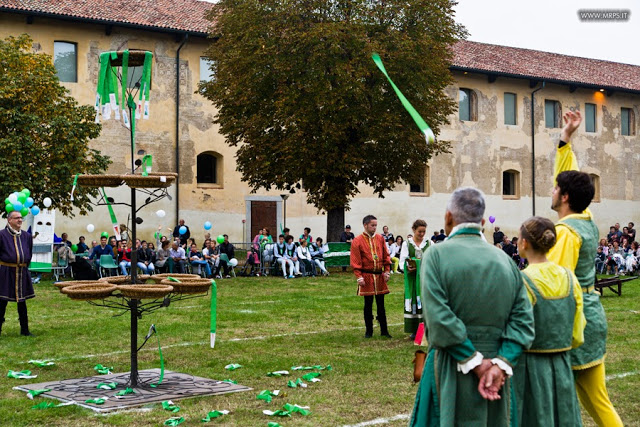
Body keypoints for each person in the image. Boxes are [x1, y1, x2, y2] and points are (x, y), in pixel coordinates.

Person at [410, 187, 534, 426]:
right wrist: (500, 363)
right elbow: (523, 321)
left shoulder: (435, 256)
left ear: (448, 217)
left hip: (450, 369)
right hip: (497, 375)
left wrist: (475, 362)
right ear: (483, 221)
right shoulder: (506, 261)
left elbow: (437, 319)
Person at [547, 109, 623, 426]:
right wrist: (566, 137)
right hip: (593, 314)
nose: (551, 190)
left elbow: (553, 283)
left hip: (578, 323)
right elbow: (572, 179)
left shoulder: (566, 232)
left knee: (592, 402)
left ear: (564, 197)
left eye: (556, 188)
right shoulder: (585, 217)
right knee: (597, 401)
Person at [514, 216, 585, 427]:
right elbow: (577, 332)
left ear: (524, 243)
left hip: (529, 369)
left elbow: (516, 330)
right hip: (562, 364)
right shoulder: (570, 278)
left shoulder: (522, 281)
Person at [350, 215, 391, 338]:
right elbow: (355, 260)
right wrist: (359, 276)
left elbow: (386, 255)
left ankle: (384, 330)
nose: (374, 228)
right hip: (366, 276)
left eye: (375, 225)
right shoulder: (357, 241)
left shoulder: (380, 238)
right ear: (365, 225)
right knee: (368, 305)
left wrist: (387, 270)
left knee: (381, 304)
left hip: (379, 276)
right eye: (372, 225)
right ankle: (369, 331)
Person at [0, 211, 35, 336]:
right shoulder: (2, 235)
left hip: (21, 272)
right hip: (6, 272)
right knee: (2, 301)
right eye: (17, 218)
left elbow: (29, 254)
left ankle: (25, 330)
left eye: (21, 218)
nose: (20, 220)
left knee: (22, 302)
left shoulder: (26, 236)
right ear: (9, 220)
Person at [399, 219, 430, 339]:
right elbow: (402, 262)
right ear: (414, 230)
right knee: (414, 304)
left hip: (425, 279)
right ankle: (414, 331)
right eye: (419, 232)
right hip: (412, 279)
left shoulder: (429, 243)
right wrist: (408, 266)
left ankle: (424, 331)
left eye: (423, 232)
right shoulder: (407, 244)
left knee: (425, 304)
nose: (422, 234)